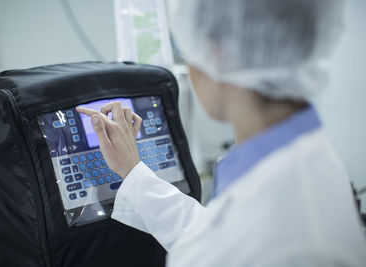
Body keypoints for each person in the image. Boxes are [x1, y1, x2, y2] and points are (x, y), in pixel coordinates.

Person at [77, 0, 366, 266]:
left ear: (217, 56)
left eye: (189, 52)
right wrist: (133, 172)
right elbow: (215, 233)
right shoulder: (307, 162)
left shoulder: (291, 239)